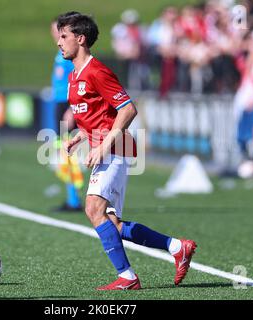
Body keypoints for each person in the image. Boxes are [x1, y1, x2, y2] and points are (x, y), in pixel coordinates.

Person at [56, 11, 197, 290]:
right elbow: (101, 117)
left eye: (64, 36)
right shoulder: (74, 77)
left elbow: (128, 109)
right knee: (112, 224)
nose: (58, 42)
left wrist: (103, 147)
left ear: (80, 39)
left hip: (116, 148)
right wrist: (81, 136)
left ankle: (128, 277)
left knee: (92, 209)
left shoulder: (97, 71)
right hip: (107, 148)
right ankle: (177, 247)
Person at [50, 18, 83, 212]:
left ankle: (75, 199)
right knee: (63, 152)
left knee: (69, 151)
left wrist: (72, 107)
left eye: (60, 31)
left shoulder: (71, 55)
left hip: (67, 105)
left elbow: (78, 80)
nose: (56, 34)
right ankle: (72, 197)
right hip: (60, 104)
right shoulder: (60, 52)